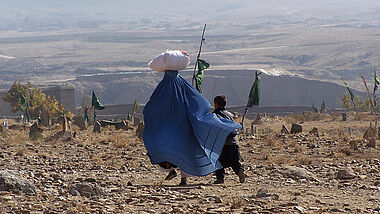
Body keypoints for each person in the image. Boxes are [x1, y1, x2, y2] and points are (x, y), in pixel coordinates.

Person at [143, 50, 241, 186]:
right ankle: (183, 179)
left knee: (161, 143)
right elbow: (197, 101)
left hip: (169, 125)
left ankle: (170, 169)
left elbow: (153, 106)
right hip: (184, 125)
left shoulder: (164, 87)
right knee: (185, 149)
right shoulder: (183, 85)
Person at [213, 94, 245, 184]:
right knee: (234, 161)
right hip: (234, 142)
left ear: (216, 104)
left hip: (222, 143)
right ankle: (239, 171)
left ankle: (220, 178)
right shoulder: (230, 114)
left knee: (218, 161)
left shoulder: (215, 115)